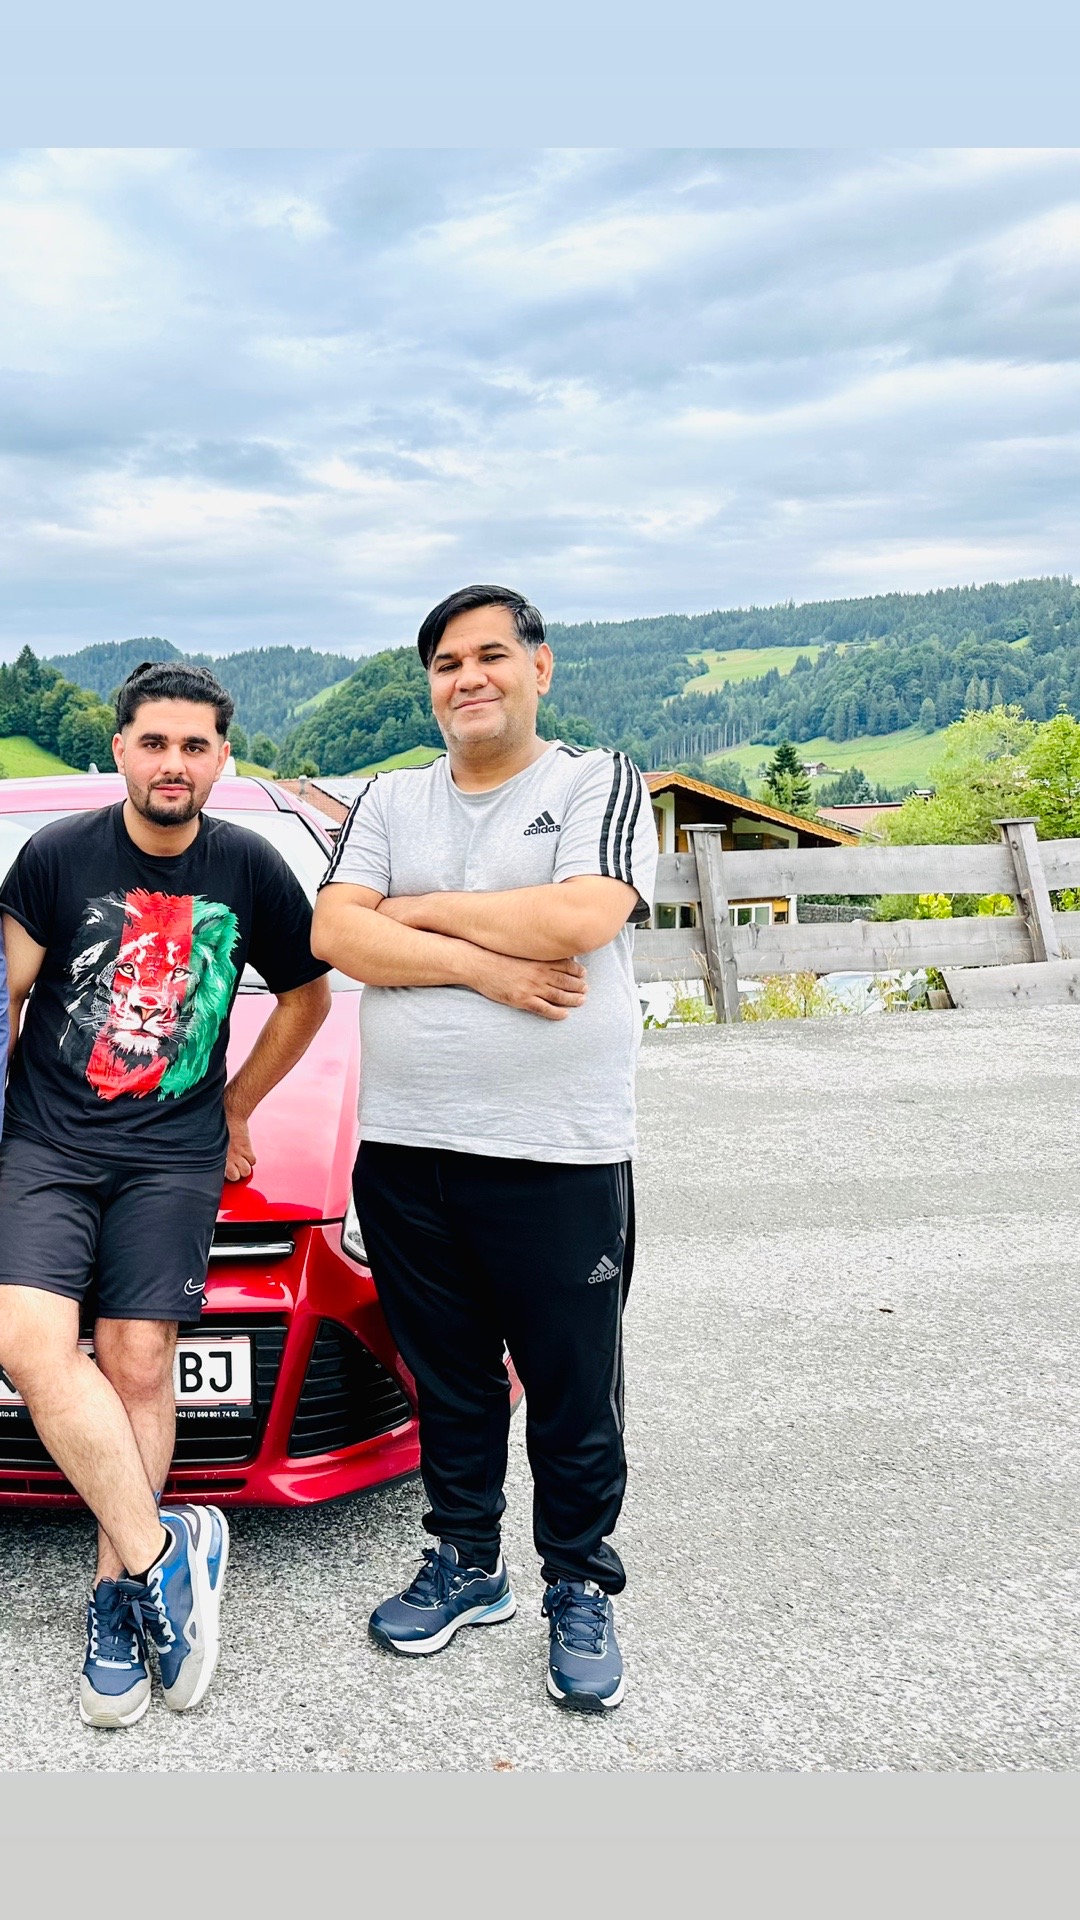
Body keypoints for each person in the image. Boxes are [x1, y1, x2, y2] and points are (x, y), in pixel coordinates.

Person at [311, 583, 657, 1712]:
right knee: (450, 1380)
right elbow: (334, 931)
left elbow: (581, 918)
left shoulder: (595, 781)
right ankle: (467, 1562)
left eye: (491, 655)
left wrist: (412, 913)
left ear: (538, 668)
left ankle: (580, 1582)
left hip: (556, 1151)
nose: (469, 678)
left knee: (569, 1386)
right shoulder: (390, 797)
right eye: (447, 663)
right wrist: (488, 967)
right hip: (407, 1147)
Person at [0, 662, 331, 1728]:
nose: (174, 763)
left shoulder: (252, 867)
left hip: (172, 1157)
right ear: (121, 750)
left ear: (222, 757)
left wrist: (237, 1107)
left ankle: (114, 1599)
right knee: (29, 1349)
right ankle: (162, 1550)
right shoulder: (56, 857)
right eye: (155, 742)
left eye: (195, 745)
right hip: (49, 1144)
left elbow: (309, 998)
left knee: (139, 1362)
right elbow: (5, 993)